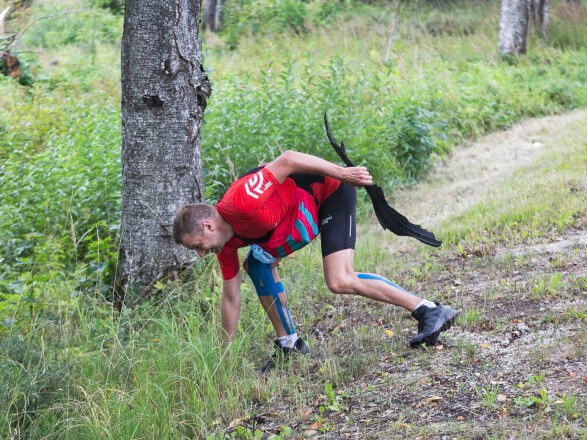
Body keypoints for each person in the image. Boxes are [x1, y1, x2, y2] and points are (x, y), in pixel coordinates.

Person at [173, 150, 457, 371]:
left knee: (340, 279)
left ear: (208, 226)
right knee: (257, 264)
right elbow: (231, 298)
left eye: (197, 246)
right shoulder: (224, 245)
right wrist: (224, 355)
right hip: (300, 209)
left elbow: (288, 160)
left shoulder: (241, 200)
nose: (200, 254)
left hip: (330, 190)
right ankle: (290, 344)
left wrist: (344, 174)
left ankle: (429, 310)